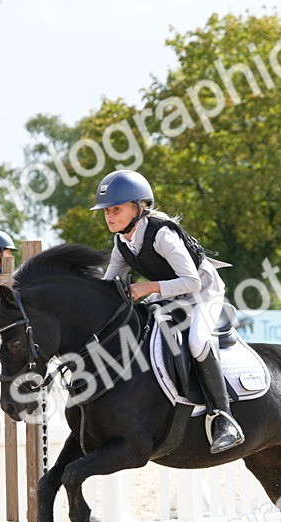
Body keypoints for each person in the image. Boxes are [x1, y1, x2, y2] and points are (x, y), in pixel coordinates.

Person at [92, 169, 244, 454]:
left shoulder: (162, 235)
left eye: (116, 209)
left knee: (197, 341)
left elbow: (192, 282)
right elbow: (107, 285)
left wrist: (147, 288)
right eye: (106, 211)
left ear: (138, 207)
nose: (109, 216)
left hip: (204, 294)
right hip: (172, 297)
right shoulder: (121, 242)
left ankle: (224, 418)